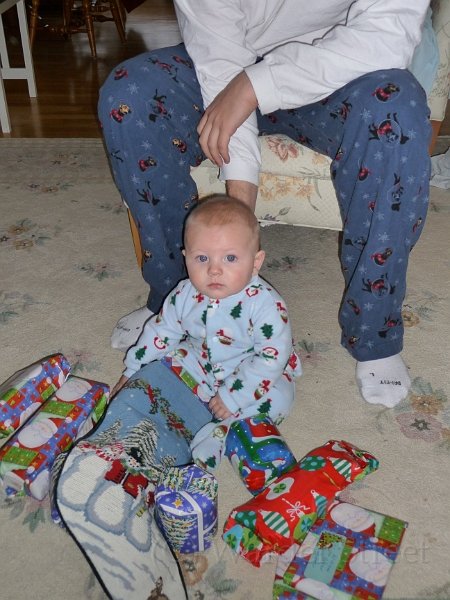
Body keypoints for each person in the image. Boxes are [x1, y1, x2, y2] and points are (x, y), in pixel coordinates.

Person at [98, 0, 432, 409]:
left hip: (343, 67)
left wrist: (254, 86)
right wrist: (233, 240)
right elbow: (219, 58)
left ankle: (374, 330)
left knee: (399, 111)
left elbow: (387, 34)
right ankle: (177, 299)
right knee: (128, 95)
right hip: (227, 69)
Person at [112, 196, 302, 467]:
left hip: (254, 370)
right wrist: (132, 370)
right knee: (164, 365)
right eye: (202, 258)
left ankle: (222, 432)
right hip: (200, 361)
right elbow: (161, 332)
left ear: (256, 262)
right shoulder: (184, 294)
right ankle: (163, 416)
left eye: (230, 258)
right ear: (186, 258)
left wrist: (233, 396)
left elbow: (271, 358)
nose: (214, 270)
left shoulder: (266, 305)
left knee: (279, 398)